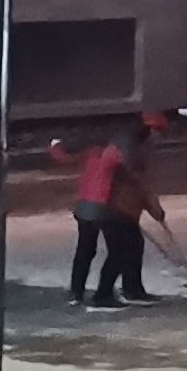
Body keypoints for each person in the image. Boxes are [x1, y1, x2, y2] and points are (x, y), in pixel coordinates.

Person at [68, 126, 156, 306]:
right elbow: (135, 181)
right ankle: (106, 294)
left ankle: (77, 293)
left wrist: (54, 146)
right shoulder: (118, 157)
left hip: (84, 207)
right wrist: (149, 206)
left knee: (86, 250)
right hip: (105, 209)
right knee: (120, 251)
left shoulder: (94, 154)